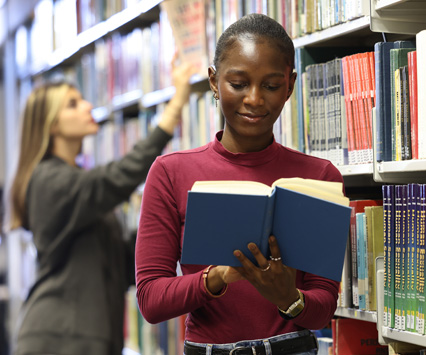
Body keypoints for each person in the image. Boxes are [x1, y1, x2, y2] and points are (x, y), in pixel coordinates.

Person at [135, 13, 342, 355]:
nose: (255, 99)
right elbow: (151, 300)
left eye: (271, 85)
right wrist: (217, 277)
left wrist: (288, 298)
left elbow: (324, 304)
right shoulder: (170, 172)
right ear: (214, 82)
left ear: (289, 85)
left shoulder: (319, 177)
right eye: (239, 83)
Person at [8, 57, 197, 354]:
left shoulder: (75, 186)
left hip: (91, 336)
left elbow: (123, 266)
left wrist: (174, 220)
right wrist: (175, 106)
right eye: (72, 104)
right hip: (59, 338)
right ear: (52, 124)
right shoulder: (48, 181)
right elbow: (118, 177)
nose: (86, 106)